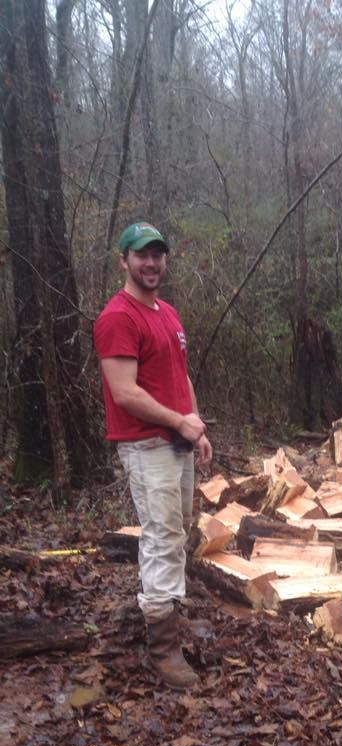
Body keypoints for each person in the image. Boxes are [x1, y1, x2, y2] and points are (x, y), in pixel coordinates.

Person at [94, 222, 212, 689]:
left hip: (177, 440)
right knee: (163, 536)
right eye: (142, 255)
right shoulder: (118, 317)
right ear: (123, 260)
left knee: (177, 531)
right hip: (146, 443)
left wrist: (195, 424)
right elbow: (124, 392)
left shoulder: (168, 313)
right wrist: (177, 422)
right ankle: (163, 649)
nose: (151, 263)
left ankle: (168, 614)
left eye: (158, 255)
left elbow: (180, 378)